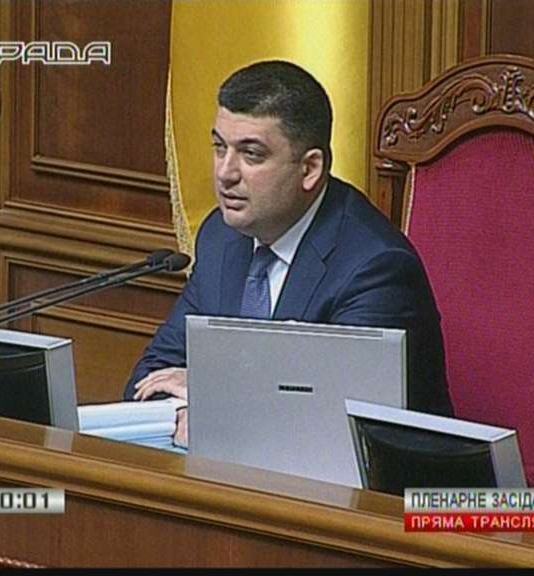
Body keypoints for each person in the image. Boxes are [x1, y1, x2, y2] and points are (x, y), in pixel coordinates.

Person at [124, 60, 453, 447]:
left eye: (251, 154)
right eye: (219, 147)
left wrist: (212, 403)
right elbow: (151, 375)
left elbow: (339, 429)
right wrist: (185, 409)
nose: (225, 173)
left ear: (309, 169)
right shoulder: (221, 237)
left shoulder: (374, 268)